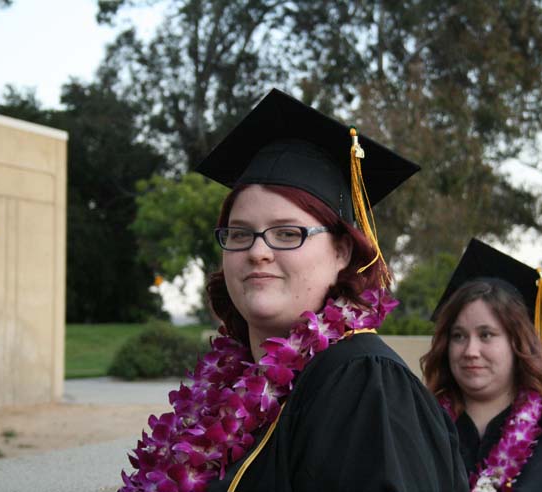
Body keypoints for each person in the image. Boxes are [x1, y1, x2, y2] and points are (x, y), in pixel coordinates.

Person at [119, 89, 469, 492]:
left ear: (342, 251)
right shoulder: (228, 387)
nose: (258, 252)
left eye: (288, 233)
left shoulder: (363, 383)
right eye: (240, 234)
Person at [421, 238, 542, 492]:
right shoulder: (425, 426)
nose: (470, 351)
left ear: (519, 344)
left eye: (486, 335)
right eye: (459, 336)